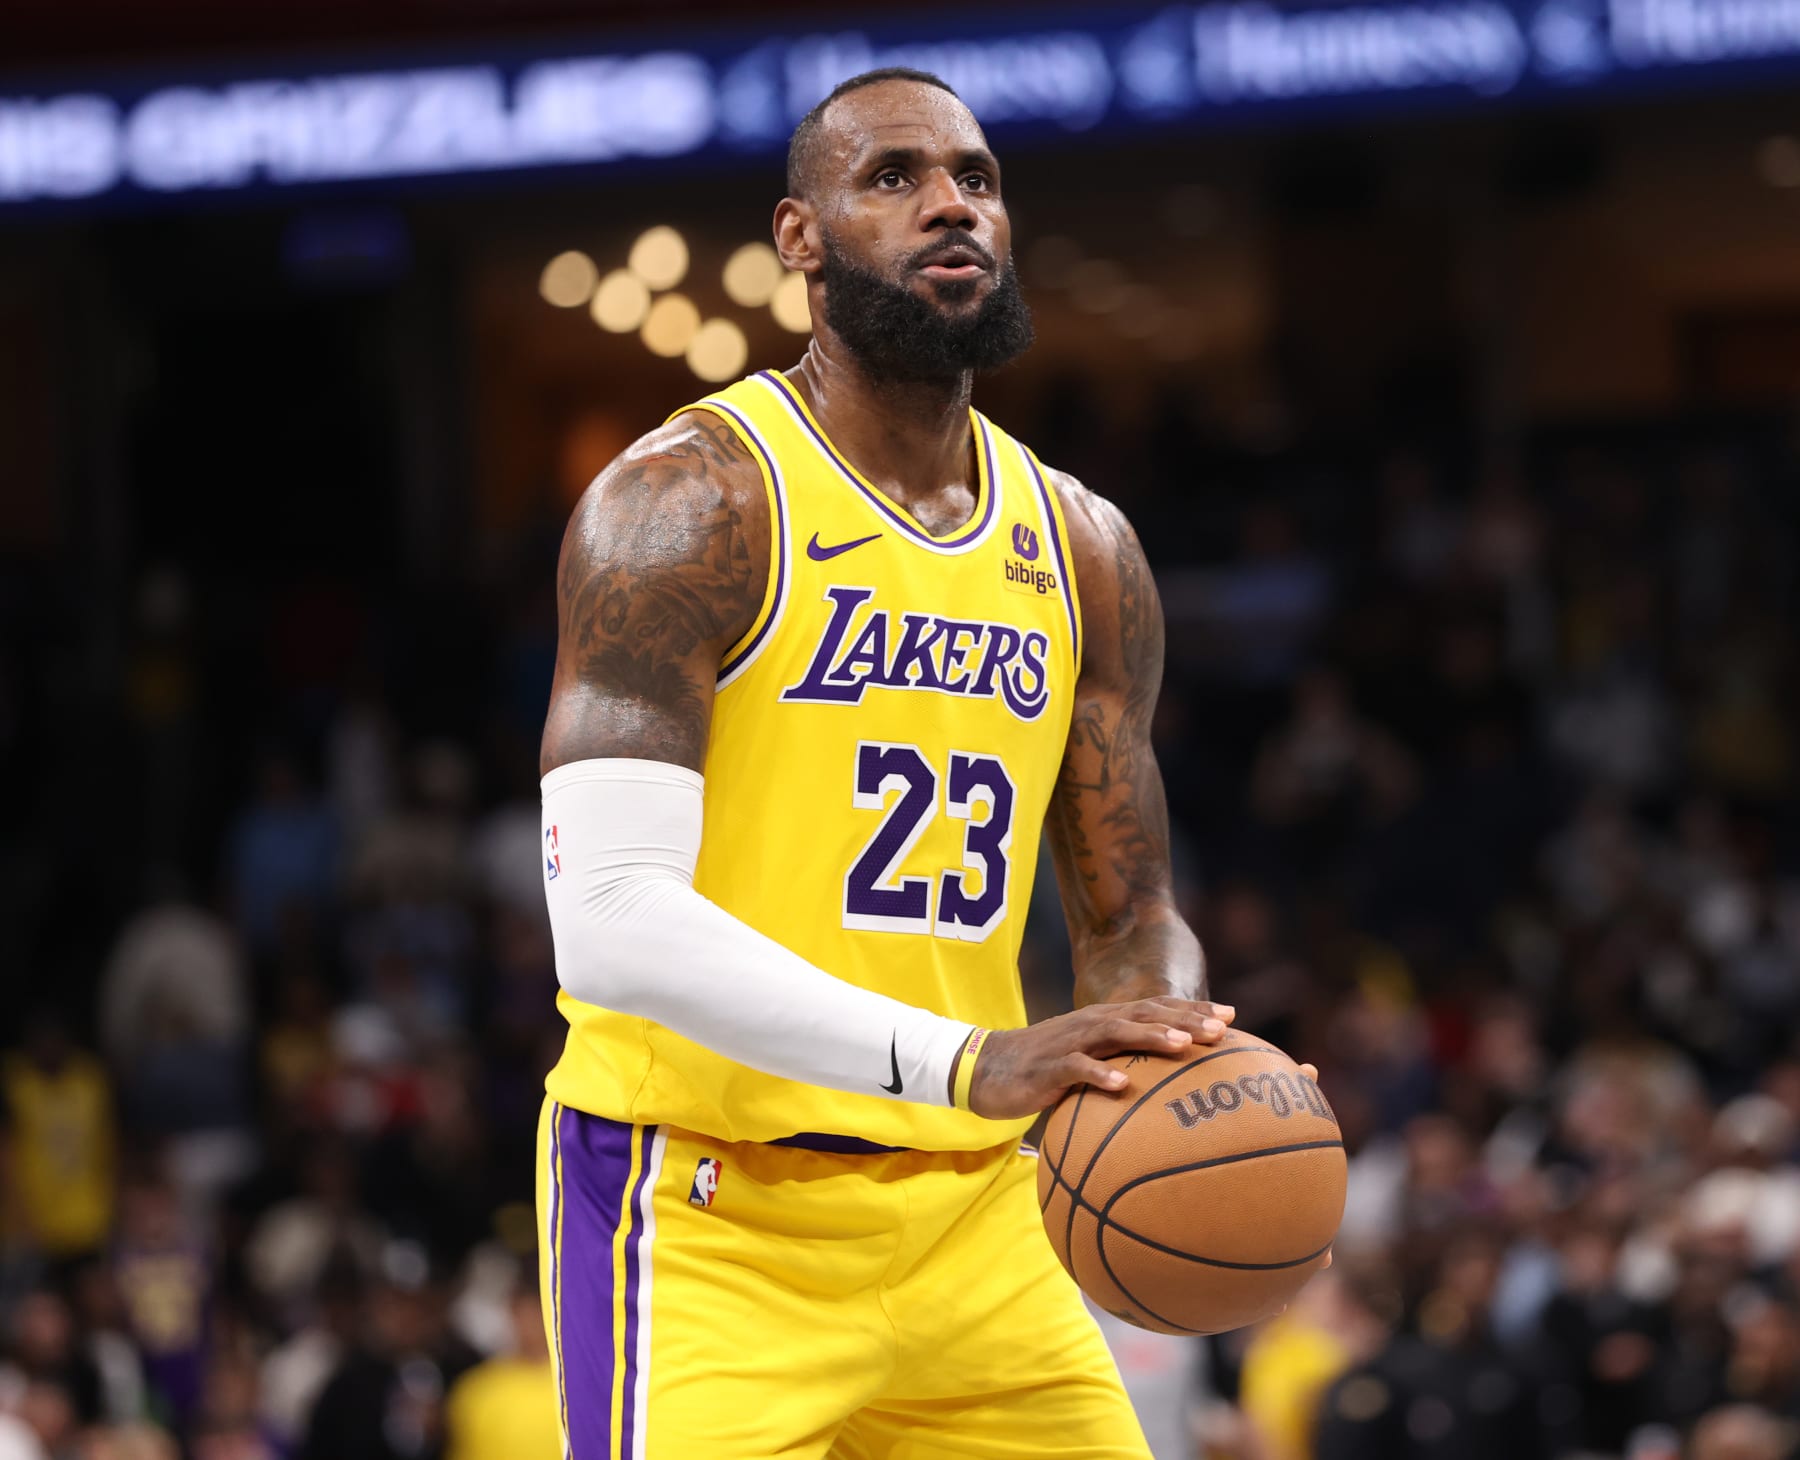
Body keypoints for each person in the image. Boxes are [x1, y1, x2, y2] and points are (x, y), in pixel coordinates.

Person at [537, 67, 1265, 1458]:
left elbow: (1129, 918)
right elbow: (609, 926)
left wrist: (1167, 1063)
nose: (950, 206)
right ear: (798, 237)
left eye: (977, 179)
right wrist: (969, 1061)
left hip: (973, 1214)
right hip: (705, 1214)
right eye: (893, 179)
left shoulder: (1083, 548)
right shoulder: (687, 504)